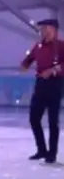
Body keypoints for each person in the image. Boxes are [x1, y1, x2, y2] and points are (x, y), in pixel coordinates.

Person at [21, 17, 64, 163]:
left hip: (55, 84)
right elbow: (29, 58)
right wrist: (25, 64)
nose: (42, 31)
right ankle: (41, 150)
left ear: (53, 29)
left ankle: (51, 154)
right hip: (40, 85)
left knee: (53, 122)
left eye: (45, 28)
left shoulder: (61, 46)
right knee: (34, 118)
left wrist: (54, 70)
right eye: (41, 29)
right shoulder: (38, 46)